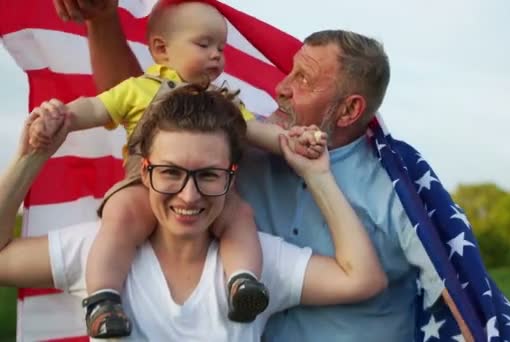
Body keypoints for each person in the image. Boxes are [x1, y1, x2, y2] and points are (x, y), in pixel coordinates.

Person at [52, 1, 474, 341]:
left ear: (350, 109)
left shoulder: (401, 191)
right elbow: (148, 108)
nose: (280, 87)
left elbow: (466, 303)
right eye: (288, 70)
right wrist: (103, 18)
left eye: (302, 79)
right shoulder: (235, 148)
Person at [0, 83, 388, 341]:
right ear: (145, 170)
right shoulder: (97, 250)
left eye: (208, 175)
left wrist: (316, 175)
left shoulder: (257, 262)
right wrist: (31, 157)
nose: (188, 196)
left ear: (232, 176)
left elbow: (362, 279)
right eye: (170, 173)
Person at [31, 1, 326, 338]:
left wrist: (295, 140)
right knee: (120, 219)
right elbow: (95, 108)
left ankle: (243, 282)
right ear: (161, 49)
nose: (217, 55)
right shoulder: (140, 88)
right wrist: (61, 118)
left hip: (207, 189)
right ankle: (103, 299)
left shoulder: (223, 101)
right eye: (204, 45)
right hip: (144, 184)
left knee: (240, 214)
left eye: (221, 47)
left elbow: (260, 132)